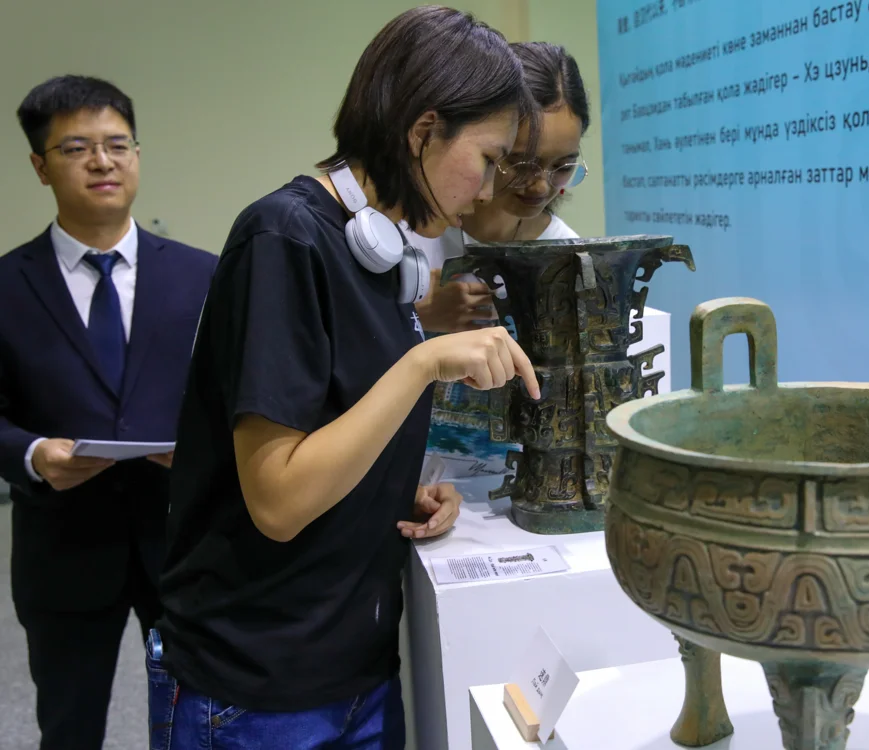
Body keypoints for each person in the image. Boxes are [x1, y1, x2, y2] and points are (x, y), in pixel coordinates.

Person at [148, 7, 541, 749]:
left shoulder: (381, 255)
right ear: (423, 131)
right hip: (257, 687)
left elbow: (332, 430)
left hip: (355, 671)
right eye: (488, 160)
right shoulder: (283, 238)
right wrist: (424, 361)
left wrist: (393, 488)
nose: (490, 190)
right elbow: (278, 500)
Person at [0, 75, 217, 750]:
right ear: (40, 165)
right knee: (69, 727)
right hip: (62, 550)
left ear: (137, 155)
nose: (102, 161)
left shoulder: (203, 274)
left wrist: (204, 446)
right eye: (76, 148)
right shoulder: (6, 285)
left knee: (201, 721)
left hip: (183, 543)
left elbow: (236, 392)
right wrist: (31, 454)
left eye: (118, 145)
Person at [409, 41, 591, 334]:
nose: (540, 186)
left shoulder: (567, 255)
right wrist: (412, 313)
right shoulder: (408, 231)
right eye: (521, 163)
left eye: (563, 166)